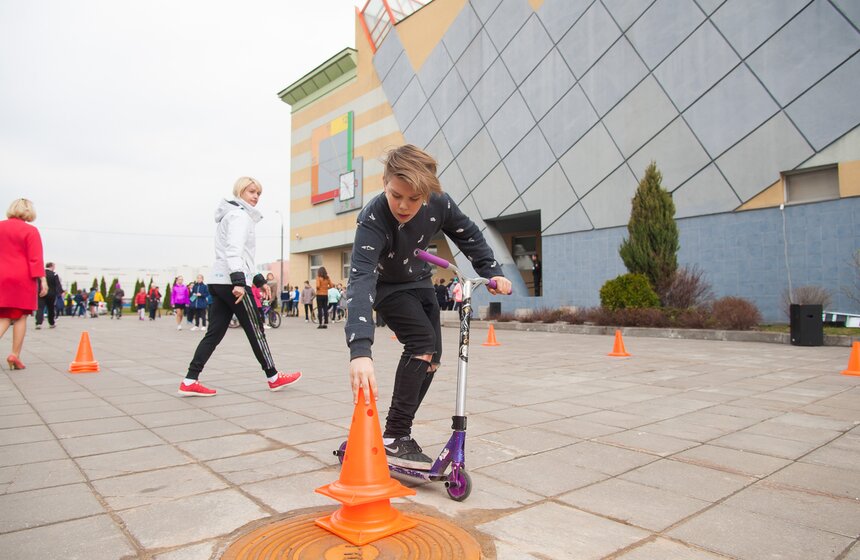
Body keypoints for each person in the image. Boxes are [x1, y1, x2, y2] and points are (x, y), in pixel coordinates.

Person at [344, 145, 512, 469]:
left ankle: (397, 432)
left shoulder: (440, 203)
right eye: (396, 196)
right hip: (386, 286)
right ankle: (395, 434)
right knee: (420, 342)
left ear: (427, 193)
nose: (404, 206)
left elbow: (470, 236)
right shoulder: (373, 218)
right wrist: (360, 349)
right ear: (384, 182)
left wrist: (492, 271)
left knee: (432, 357)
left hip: (420, 280)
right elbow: (361, 279)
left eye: (414, 198)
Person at [178, 176, 301, 396]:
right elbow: (234, 251)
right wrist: (238, 282)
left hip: (217, 280)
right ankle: (273, 377)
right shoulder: (239, 216)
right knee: (256, 329)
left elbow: (244, 257)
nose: (255, 197)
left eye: (258, 193)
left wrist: (259, 281)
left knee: (213, 333)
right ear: (240, 192)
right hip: (231, 282)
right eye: (251, 192)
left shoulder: (231, 215)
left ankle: (189, 380)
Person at [0, 198, 47, 370]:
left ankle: (15, 355)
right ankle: (15, 354)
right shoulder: (30, 231)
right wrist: (42, 279)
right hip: (22, 277)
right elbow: (35, 258)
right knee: (20, 316)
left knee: (4, 314)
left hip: (1, 276)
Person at [35, 262, 62, 329]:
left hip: (41, 293)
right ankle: (51, 323)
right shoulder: (54, 274)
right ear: (51, 266)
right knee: (51, 308)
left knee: (40, 308)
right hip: (51, 294)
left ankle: (38, 323)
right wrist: (59, 293)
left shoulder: (41, 274)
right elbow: (57, 285)